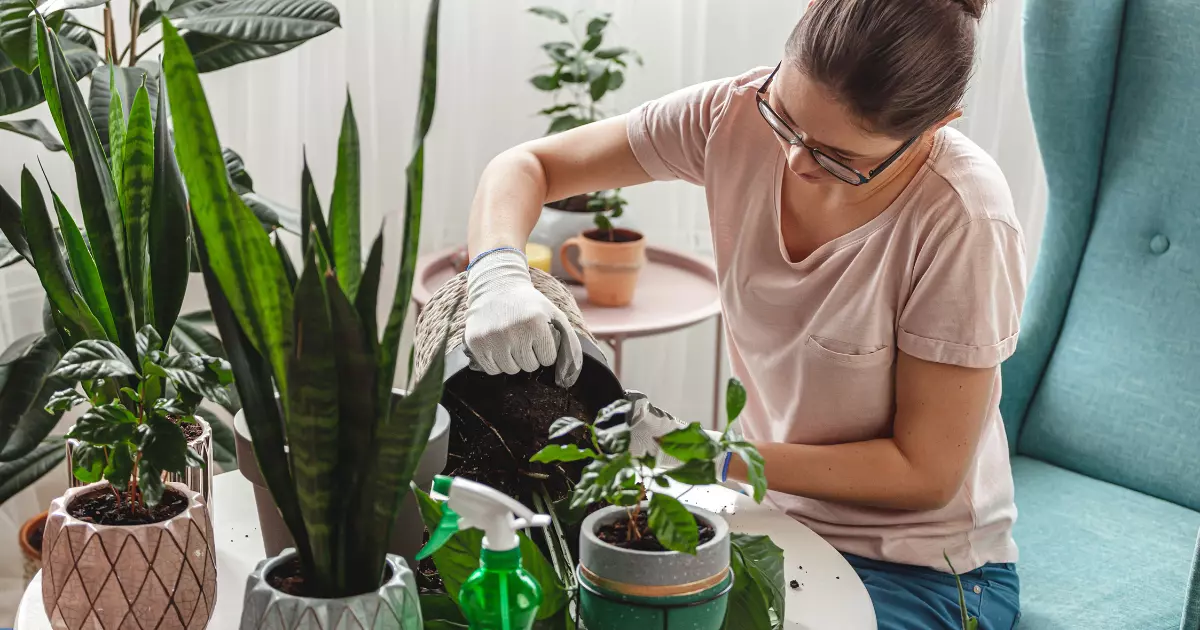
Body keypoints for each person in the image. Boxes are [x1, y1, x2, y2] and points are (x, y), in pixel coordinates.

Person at [462, 0, 1023, 627]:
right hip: (766, 521)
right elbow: (527, 166)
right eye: (783, 120)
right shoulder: (730, 116)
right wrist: (497, 270)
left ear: (937, 124)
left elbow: (925, 473)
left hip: (923, 571)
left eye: (844, 161)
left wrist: (706, 454)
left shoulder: (963, 219)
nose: (795, 161)